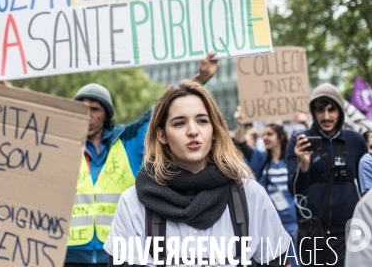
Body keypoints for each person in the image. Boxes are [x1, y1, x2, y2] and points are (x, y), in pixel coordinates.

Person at [0, 44, 218, 267]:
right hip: (67, 256)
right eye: (83, 109)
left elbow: (163, 108)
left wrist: (201, 77)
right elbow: (26, 112)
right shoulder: (60, 142)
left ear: (107, 115)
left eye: (95, 110)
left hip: (120, 254)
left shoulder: (130, 141)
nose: (88, 115)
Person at [103, 80, 291, 266]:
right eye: (179, 123)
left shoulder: (249, 194)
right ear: (161, 135)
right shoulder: (133, 203)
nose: (193, 131)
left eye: (202, 121)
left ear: (214, 131)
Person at [286, 83, 368, 265]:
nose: (326, 116)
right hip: (313, 232)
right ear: (313, 112)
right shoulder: (299, 141)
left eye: (332, 110)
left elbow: (367, 188)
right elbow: (294, 190)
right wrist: (304, 165)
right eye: (320, 110)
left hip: (349, 232)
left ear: (340, 111)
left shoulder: (355, 140)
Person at [233, 110, 300, 267]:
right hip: (273, 224)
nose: (265, 137)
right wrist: (241, 124)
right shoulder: (261, 159)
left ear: (280, 137)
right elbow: (240, 143)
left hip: (295, 223)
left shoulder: (291, 159)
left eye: (270, 134)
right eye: (264, 134)